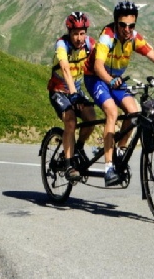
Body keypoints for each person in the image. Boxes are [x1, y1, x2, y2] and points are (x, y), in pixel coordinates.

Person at [85, 0, 154, 186]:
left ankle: (119, 151)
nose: (127, 29)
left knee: (133, 110)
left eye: (131, 25)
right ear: (116, 23)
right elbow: (98, 66)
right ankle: (108, 168)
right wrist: (110, 81)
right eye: (122, 25)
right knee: (112, 112)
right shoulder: (107, 36)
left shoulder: (134, 38)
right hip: (96, 78)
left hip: (116, 80)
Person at [47, 12, 97, 181]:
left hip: (75, 89)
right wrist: (73, 95)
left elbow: (101, 62)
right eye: (75, 34)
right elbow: (66, 69)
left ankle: (79, 147)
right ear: (69, 33)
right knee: (70, 121)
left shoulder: (90, 44)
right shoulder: (62, 45)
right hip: (59, 90)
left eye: (82, 33)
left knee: (91, 119)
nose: (79, 38)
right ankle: (68, 164)